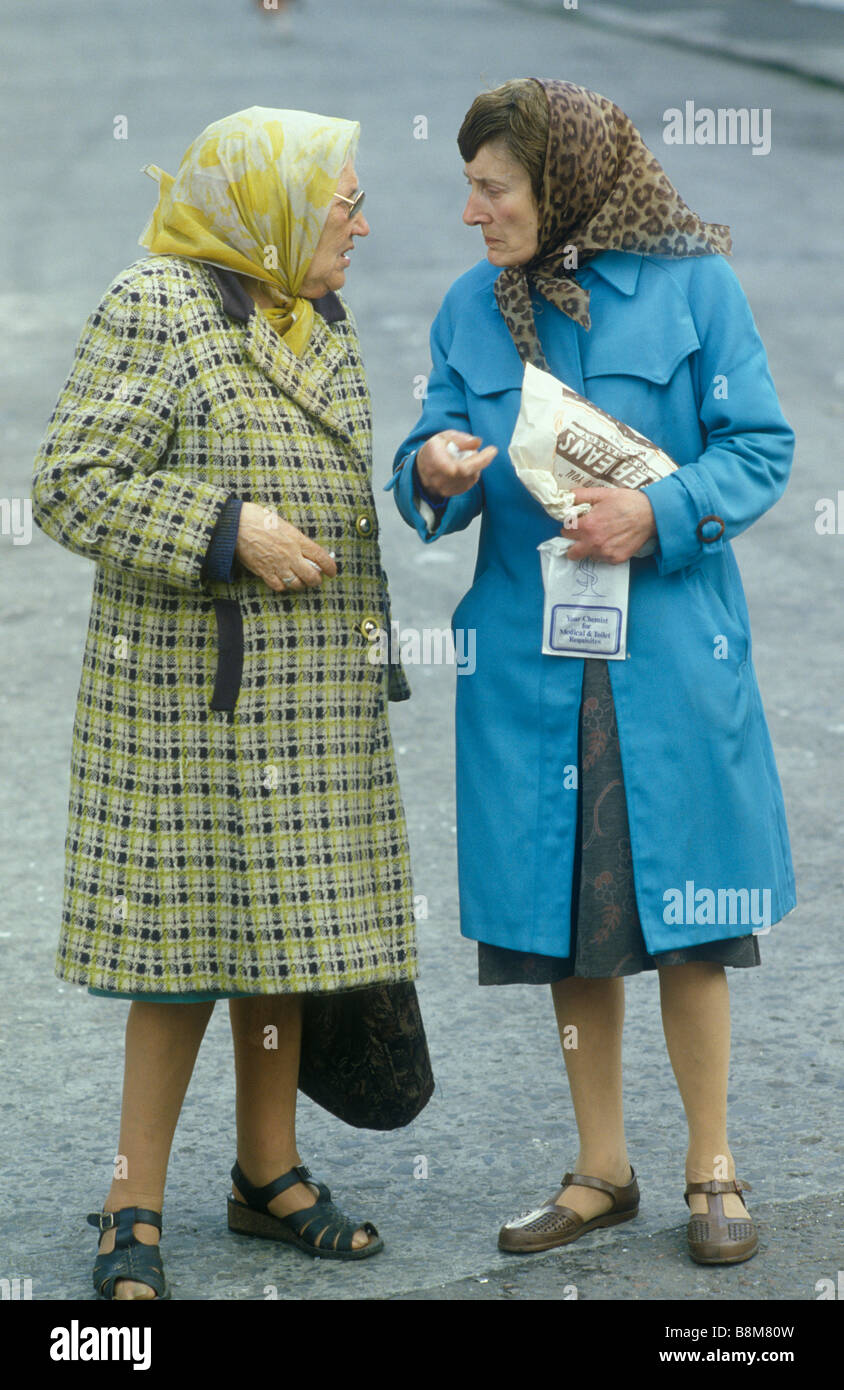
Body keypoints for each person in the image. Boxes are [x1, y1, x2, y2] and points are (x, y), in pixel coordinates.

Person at [388, 79, 796, 1265]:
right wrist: (434, 468)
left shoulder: (695, 286)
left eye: (493, 189)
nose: (472, 212)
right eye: (470, 187)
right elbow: (424, 452)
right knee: (573, 924)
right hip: (535, 669)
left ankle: (711, 1163)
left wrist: (656, 514)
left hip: (669, 660)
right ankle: (600, 1168)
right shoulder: (471, 307)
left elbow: (759, 447)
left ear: (563, 185)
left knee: (695, 921)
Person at [31, 106, 417, 1299]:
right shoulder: (154, 302)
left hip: (313, 701)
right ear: (274, 204)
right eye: (344, 201)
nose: (360, 224)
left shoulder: (312, 312)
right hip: (190, 700)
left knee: (283, 942)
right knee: (178, 955)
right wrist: (223, 526)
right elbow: (69, 483)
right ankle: (129, 1198)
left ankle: (268, 1173)